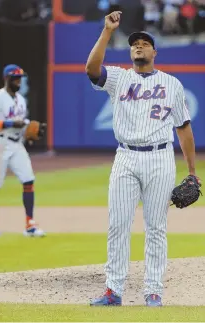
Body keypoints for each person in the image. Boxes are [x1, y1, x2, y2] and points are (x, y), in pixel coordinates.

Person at [85, 11, 200, 306]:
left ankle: (153, 290)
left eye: (144, 43)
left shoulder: (171, 84)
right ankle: (113, 290)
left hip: (160, 158)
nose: (138, 46)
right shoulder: (119, 78)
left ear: (154, 51)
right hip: (125, 157)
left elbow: (184, 130)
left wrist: (192, 172)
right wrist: (107, 32)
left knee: (156, 228)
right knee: (118, 225)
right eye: (135, 43)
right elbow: (91, 69)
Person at [0, 64, 45, 237]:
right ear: (7, 79)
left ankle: (30, 225)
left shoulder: (20, 100)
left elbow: (22, 123)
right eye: (15, 78)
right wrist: (9, 124)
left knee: (28, 180)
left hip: (16, 144)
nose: (18, 81)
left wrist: (29, 134)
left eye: (20, 78)